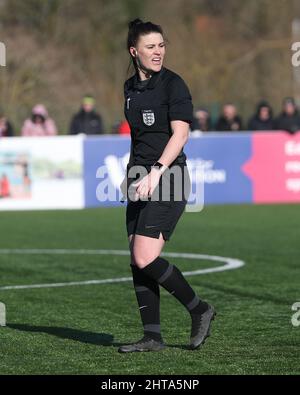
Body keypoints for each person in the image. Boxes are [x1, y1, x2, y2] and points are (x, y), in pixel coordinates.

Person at [118, 19, 216, 353]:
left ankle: (199, 309)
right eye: (150, 46)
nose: (158, 52)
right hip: (139, 178)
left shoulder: (173, 84)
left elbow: (181, 134)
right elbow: (139, 138)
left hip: (169, 177)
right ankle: (153, 337)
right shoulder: (130, 87)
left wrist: (157, 171)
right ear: (135, 51)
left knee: (146, 256)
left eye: (161, 45)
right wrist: (130, 173)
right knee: (136, 257)